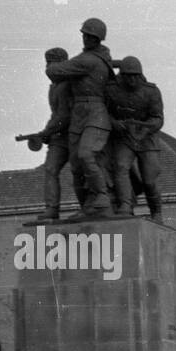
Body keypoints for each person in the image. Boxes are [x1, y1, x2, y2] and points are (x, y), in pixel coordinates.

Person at [45, 17, 114, 217]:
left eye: (90, 36)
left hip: (95, 113)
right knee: (76, 165)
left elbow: (54, 72)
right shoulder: (92, 58)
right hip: (79, 116)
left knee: (86, 154)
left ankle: (101, 195)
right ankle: (87, 207)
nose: (86, 39)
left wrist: (52, 65)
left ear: (98, 39)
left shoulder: (89, 60)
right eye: (84, 35)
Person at [106, 55, 164, 220]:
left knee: (149, 179)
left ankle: (156, 210)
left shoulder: (151, 91)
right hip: (124, 136)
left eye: (135, 76)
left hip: (147, 137)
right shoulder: (111, 90)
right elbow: (104, 112)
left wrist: (146, 129)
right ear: (121, 76)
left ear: (140, 75)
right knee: (120, 166)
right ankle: (125, 204)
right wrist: (115, 123)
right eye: (128, 76)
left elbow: (158, 118)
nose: (132, 80)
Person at [31, 47, 73, 221]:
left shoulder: (68, 85)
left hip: (73, 134)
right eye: (47, 63)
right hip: (59, 136)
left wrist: (46, 132)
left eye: (51, 63)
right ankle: (52, 208)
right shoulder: (53, 88)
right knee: (50, 169)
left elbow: (65, 115)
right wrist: (47, 133)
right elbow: (56, 115)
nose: (48, 68)